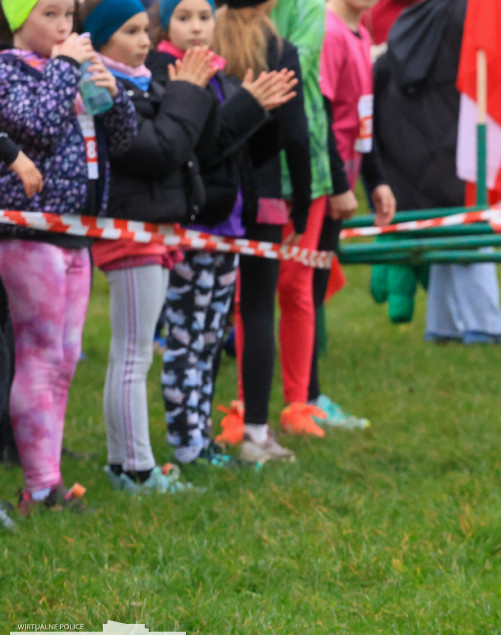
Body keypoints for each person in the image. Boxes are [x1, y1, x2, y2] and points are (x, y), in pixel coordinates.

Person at [0, 0, 137, 513]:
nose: (63, 27)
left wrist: (112, 93)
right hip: (30, 232)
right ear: (18, 20)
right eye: (50, 15)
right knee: (39, 357)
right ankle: (39, 485)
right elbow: (36, 127)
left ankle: (48, 478)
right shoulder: (8, 70)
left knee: (64, 360)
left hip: (76, 233)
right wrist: (63, 67)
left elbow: (124, 140)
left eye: (68, 16)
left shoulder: (69, 67)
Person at [150, 0, 296, 468]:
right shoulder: (167, 73)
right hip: (193, 229)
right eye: (183, 17)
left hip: (228, 227)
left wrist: (266, 113)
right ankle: (186, 443)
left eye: (204, 17)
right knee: (186, 340)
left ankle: (202, 437)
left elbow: (241, 154)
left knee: (211, 339)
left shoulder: (219, 73)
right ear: (164, 26)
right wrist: (247, 106)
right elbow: (201, 148)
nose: (196, 27)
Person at [85, 0, 216, 493]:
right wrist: (186, 93)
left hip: (146, 229)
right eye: (130, 31)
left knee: (130, 354)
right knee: (133, 357)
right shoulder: (105, 87)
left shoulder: (138, 82)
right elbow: (157, 151)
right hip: (131, 232)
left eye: (146, 29)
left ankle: (124, 464)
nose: (144, 41)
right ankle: (138, 469)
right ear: (102, 40)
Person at [372, 0, 501, 339]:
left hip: (414, 133)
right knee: (471, 213)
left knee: (452, 215)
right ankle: (484, 324)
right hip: (452, 137)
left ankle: (444, 324)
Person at [214, 0, 312, 464]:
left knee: (205, 312)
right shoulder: (278, 48)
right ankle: (255, 427)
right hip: (266, 197)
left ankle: (192, 430)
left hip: (209, 196)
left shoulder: (204, 35)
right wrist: (304, 205)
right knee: (256, 309)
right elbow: (295, 133)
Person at [313, 0, 394, 429]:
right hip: (321, 187)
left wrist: (374, 179)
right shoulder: (329, 33)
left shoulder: (360, 33)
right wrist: (337, 185)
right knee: (304, 292)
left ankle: (308, 395)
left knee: (312, 290)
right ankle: (305, 397)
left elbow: (362, 118)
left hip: (342, 181)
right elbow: (321, 117)